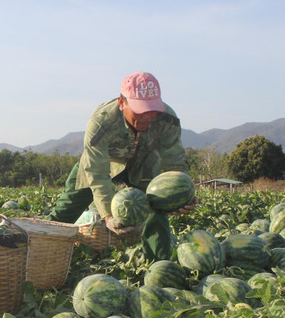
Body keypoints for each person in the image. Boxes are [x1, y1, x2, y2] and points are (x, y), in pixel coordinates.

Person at [47, 71, 195, 259]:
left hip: (143, 164)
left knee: (156, 208)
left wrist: (183, 195)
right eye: (140, 110)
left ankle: (158, 263)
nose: (148, 116)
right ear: (121, 103)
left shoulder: (167, 119)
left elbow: (174, 161)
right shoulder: (102, 121)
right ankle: (41, 247)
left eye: (153, 110)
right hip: (104, 162)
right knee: (67, 208)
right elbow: (97, 173)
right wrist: (108, 216)